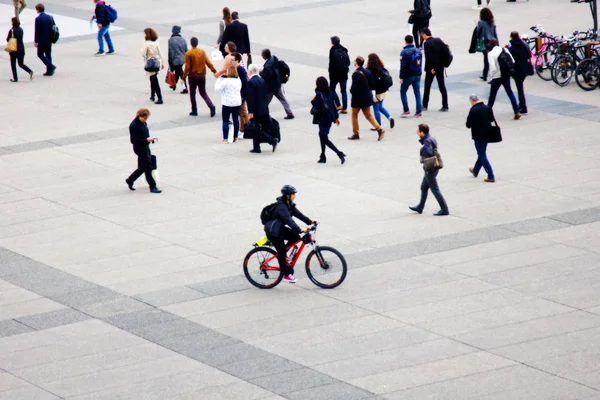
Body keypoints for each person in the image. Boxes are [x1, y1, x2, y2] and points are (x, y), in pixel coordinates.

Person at [264, 185, 316, 283]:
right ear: (287, 195)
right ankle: (286, 274)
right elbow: (289, 220)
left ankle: (284, 256)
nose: (294, 196)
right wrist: (300, 229)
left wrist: (310, 221)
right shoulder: (282, 207)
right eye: (292, 194)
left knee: (295, 237)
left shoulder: (289, 204)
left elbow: (299, 214)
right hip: (273, 232)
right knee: (282, 252)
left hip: (279, 229)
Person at [409, 124, 449, 216]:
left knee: (435, 189)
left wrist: (422, 148)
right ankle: (420, 207)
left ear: (422, 133)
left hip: (430, 168)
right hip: (433, 167)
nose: (417, 133)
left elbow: (429, 152)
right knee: (424, 187)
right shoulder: (431, 138)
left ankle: (444, 209)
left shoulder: (427, 141)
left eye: (418, 132)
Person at [348, 56, 384, 141]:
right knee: (368, 115)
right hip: (367, 97)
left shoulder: (355, 74)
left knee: (354, 115)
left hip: (357, 98)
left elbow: (354, 88)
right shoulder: (368, 72)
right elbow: (372, 86)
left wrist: (351, 91)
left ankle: (355, 133)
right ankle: (379, 129)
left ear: (356, 63)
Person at [126, 108, 161, 194]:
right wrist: (146, 140)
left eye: (146, 118)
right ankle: (153, 186)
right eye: (144, 118)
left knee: (143, 167)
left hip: (145, 146)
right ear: (139, 116)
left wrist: (150, 140)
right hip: (139, 148)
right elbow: (133, 140)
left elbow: (145, 134)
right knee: (148, 166)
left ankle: (130, 179)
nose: (145, 120)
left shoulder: (143, 123)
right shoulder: (134, 126)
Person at [311, 76, 346, 164]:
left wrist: (312, 101)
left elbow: (317, 106)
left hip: (323, 118)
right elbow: (334, 106)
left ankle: (339, 153)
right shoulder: (331, 92)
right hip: (330, 118)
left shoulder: (319, 94)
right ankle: (323, 155)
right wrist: (336, 117)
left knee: (324, 138)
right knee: (322, 135)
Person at [246, 64, 279, 153]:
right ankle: (256, 147)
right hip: (264, 108)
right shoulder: (262, 80)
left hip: (256, 110)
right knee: (259, 127)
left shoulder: (251, 82)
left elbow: (251, 99)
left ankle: (272, 140)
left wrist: (250, 111)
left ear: (250, 71)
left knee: (256, 128)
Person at [182, 37, 217, 117]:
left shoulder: (188, 53)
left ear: (191, 43)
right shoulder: (202, 52)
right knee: (203, 92)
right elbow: (208, 62)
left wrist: (183, 77)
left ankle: (194, 110)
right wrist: (214, 70)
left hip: (193, 76)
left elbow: (187, 67)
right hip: (202, 76)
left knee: (192, 93)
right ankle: (211, 106)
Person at [487, 38, 521, 120]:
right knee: (510, 93)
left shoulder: (491, 54)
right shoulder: (504, 49)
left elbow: (492, 68)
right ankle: (516, 111)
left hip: (497, 77)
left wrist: (490, 77)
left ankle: (487, 114)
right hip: (506, 76)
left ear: (491, 45)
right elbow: (512, 60)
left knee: (492, 96)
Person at [466, 95, 496, 182]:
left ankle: (491, 175)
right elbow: (491, 119)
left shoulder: (473, 110)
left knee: (482, 155)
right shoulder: (488, 107)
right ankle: (475, 170)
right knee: (481, 152)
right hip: (487, 134)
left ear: (472, 101)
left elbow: (468, 125)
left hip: (478, 135)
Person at [260, 48, 294, 120]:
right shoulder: (273, 59)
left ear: (264, 56)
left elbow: (268, 75)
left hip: (271, 87)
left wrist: (261, 72)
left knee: (265, 101)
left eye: (262, 55)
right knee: (282, 99)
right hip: (277, 84)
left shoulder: (268, 65)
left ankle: (263, 115)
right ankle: (289, 113)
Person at [421, 28, 449, 112]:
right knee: (442, 86)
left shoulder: (427, 44)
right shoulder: (438, 40)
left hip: (431, 69)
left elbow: (428, 58)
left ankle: (425, 105)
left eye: (422, 35)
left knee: (427, 87)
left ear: (424, 34)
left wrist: (431, 68)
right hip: (440, 67)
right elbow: (446, 51)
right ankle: (445, 105)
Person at [367, 53, 395, 129]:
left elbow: (371, 84)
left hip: (376, 92)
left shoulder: (370, 71)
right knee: (380, 107)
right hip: (384, 91)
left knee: (376, 109)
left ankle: (378, 125)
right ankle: (390, 117)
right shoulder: (381, 67)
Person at [215, 66, 242, 143]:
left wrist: (219, 80)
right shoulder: (238, 80)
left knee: (225, 120)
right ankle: (235, 137)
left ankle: (225, 138)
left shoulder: (226, 81)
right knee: (236, 119)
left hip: (227, 102)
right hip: (236, 102)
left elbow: (217, 89)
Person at [399, 34, 423, 118]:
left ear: (405, 41)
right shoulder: (418, 51)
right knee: (417, 92)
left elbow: (403, 66)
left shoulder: (404, 52)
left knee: (403, 91)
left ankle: (406, 110)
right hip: (417, 74)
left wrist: (401, 77)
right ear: (412, 41)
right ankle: (419, 111)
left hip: (408, 75)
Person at [508, 31, 530, 115]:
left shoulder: (512, 48)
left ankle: (523, 107)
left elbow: (511, 60)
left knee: (520, 89)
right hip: (524, 70)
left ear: (511, 37)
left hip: (517, 70)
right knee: (520, 87)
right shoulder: (524, 45)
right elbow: (529, 55)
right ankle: (521, 105)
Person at [141, 28, 164, 105]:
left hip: (151, 63)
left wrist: (141, 50)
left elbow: (143, 53)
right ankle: (152, 95)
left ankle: (159, 98)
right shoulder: (156, 42)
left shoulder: (146, 43)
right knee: (153, 78)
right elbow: (160, 53)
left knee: (154, 80)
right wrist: (162, 62)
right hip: (158, 62)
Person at [6, 17, 33, 82]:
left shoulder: (11, 30)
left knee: (13, 64)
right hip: (21, 48)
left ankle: (15, 78)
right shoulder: (21, 29)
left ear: (13, 22)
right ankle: (30, 71)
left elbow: (8, 39)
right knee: (21, 64)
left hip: (14, 49)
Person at [328, 36, 350, 114]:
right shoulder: (344, 50)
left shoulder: (332, 50)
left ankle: (338, 104)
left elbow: (331, 63)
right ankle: (345, 108)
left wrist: (330, 73)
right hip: (344, 74)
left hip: (335, 74)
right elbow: (348, 62)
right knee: (343, 91)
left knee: (332, 89)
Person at [34, 3, 56, 76]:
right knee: (48, 54)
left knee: (40, 54)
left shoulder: (38, 19)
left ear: (38, 10)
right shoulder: (50, 17)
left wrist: (36, 41)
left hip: (42, 40)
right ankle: (49, 71)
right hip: (49, 38)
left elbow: (37, 31)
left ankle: (50, 66)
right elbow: (53, 27)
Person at [477, 7, 497, 81]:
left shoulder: (481, 22)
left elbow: (478, 32)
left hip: (486, 42)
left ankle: (485, 75)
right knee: (493, 59)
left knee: (486, 59)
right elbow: (495, 33)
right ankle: (488, 74)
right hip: (493, 41)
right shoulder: (492, 21)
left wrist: (477, 28)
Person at [168, 25, 188, 94]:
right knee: (178, 72)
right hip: (182, 59)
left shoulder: (171, 40)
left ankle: (185, 88)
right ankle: (173, 85)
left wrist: (170, 62)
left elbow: (170, 52)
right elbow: (186, 50)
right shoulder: (183, 39)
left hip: (175, 60)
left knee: (181, 73)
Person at [234, 52, 249, 132]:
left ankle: (247, 127)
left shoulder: (240, 70)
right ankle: (242, 128)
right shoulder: (236, 69)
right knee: (241, 111)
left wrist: (243, 95)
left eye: (232, 60)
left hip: (241, 94)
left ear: (237, 60)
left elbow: (244, 83)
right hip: (238, 93)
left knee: (243, 111)